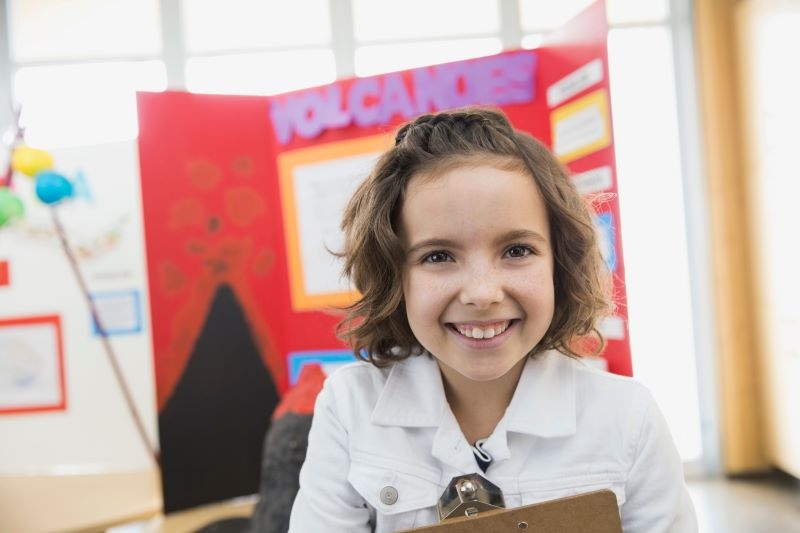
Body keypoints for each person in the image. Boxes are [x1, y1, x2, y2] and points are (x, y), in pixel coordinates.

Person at [287, 107, 697, 532]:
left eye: (517, 250)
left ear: (560, 263)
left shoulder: (629, 419)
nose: (482, 294)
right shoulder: (350, 409)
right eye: (438, 256)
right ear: (395, 275)